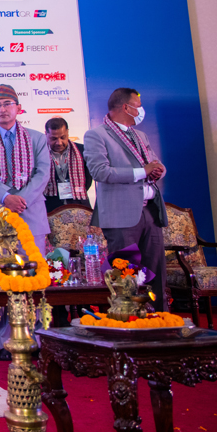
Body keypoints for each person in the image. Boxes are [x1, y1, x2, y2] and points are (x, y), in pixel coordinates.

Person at [0, 85, 51, 358]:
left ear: (18, 108)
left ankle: (34, 338)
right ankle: (6, 340)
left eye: (7, 104)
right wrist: (6, 197)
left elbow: (43, 174)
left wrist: (20, 199)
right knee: (1, 279)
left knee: (33, 278)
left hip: (30, 214)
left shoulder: (38, 138)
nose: (3, 109)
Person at [84, 88, 168, 310]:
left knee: (156, 271)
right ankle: (128, 318)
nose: (141, 110)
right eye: (138, 106)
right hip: (121, 214)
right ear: (125, 107)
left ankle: (160, 319)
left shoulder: (140, 136)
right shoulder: (96, 135)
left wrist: (158, 170)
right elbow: (100, 172)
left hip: (150, 211)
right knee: (125, 275)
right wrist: (142, 171)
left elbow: (156, 163)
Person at [43, 118, 93, 212]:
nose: (59, 143)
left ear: (68, 132)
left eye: (63, 137)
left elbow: (88, 179)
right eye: (54, 138)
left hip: (79, 205)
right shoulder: (39, 153)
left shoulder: (83, 150)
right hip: (50, 206)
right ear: (46, 134)